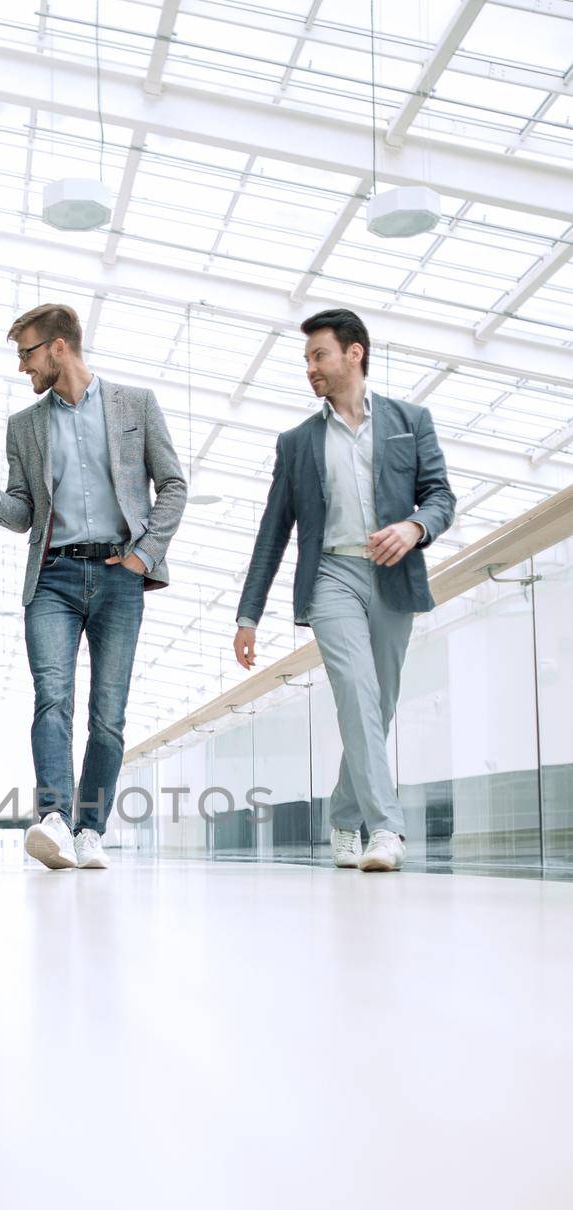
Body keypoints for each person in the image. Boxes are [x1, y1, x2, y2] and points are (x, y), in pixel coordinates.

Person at [0, 303, 186, 870]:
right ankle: (53, 819)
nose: (22, 367)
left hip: (119, 576)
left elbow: (173, 486)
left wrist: (143, 556)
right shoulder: (25, 426)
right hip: (52, 577)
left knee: (108, 713)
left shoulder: (136, 405)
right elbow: (25, 512)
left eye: (27, 353)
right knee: (52, 698)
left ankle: (90, 830)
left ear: (59, 347)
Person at [233, 308, 455, 873]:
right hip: (331, 577)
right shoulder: (298, 442)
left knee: (378, 707)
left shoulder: (410, 420)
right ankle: (387, 829)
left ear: (354, 353)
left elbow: (441, 498)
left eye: (319, 355)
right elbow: (272, 532)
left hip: (393, 576)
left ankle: (342, 816)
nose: (310, 368)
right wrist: (248, 615)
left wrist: (414, 526)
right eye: (307, 359)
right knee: (356, 693)